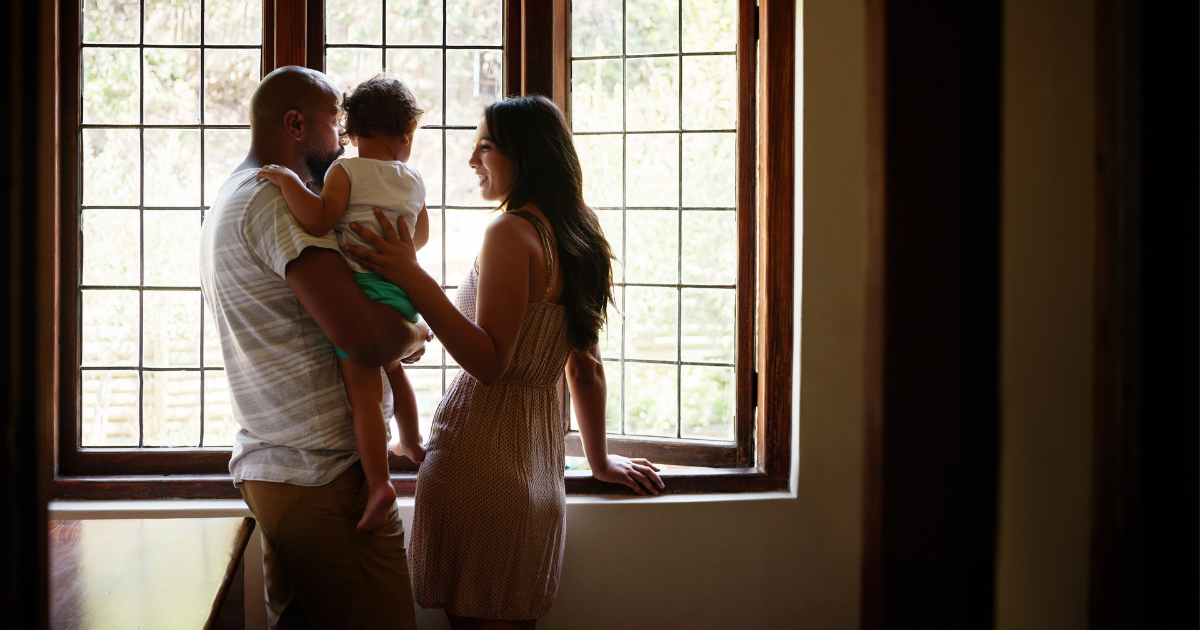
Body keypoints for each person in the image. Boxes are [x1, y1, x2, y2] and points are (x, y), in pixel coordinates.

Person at [343, 95, 667, 629]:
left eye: (485, 146)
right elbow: (584, 368)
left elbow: (490, 362)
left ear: (526, 155)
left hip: (481, 464)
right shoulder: (581, 238)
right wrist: (600, 460)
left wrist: (412, 277)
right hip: (540, 472)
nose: (472, 160)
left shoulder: (510, 233)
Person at [199, 66, 427, 630]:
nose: (346, 137)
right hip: (324, 476)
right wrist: (419, 332)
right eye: (336, 123)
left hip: (281, 466)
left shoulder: (233, 193)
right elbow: (364, 337)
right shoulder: (278, 204)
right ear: (296, 123)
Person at [256, 75, 430, 534]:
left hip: (366, 293)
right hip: (402, 293)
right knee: (394, 368)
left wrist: (287, 180)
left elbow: (317, 218)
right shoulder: (413, 179)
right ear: (405, 136)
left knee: (365, 398)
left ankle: (379, 484)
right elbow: (420, 236)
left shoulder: (344, 171)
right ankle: (412, 441)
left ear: (350, 134)